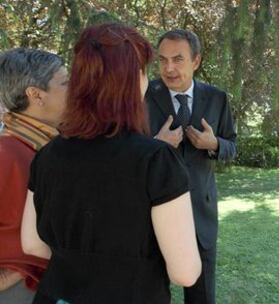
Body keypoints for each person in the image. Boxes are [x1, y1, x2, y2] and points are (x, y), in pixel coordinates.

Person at [20, 23, 201, 304]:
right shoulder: (157, 161)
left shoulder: (47, 154)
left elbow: (31, 243)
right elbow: (185, 272)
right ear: (133, 79)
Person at [146, 29, 237, 304]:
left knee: (201, 296)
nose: (168, 68)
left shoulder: (218, 98)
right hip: (150, 213)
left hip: (200, 213)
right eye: (162, 60)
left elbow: (232, 146)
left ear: (196, 61)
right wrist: (156, 145)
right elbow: (125, 150)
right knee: (150, 294)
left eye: (177, 59)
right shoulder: (142, 94)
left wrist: (215, 144)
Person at [0, 48, 67, 303]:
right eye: (65, 83)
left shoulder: (45, 148)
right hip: (20, 293)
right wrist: (11, 276)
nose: (74, 90)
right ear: (36, 95)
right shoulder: (6, 153)